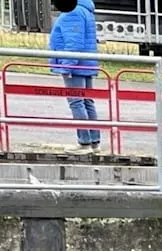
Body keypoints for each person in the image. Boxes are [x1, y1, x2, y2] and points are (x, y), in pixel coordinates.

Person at [48, 0, 100, 151]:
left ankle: (84, 142)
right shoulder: (85, 10)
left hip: (75, 66)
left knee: (76, 102)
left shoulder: (74, 11)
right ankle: (94, 140)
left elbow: (73, 43)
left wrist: (66, 66)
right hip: (85, 63)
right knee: (87, 102)